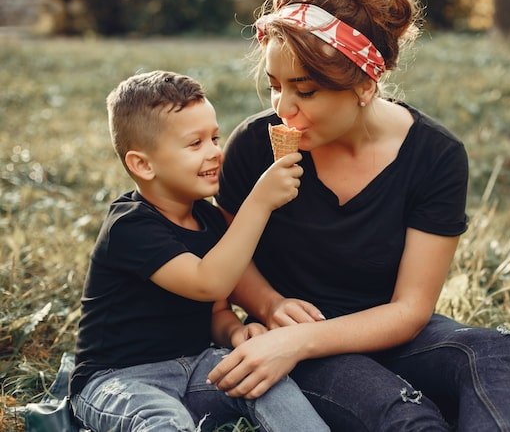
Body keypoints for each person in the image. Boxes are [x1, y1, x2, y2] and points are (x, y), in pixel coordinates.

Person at [210, 0, 510, 431]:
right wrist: (271, 308)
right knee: (404, 414)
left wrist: (299, 341)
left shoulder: (435, 155)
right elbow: (228, 254)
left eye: (306, 90)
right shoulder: (254, 146)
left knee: (495, 351)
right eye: (276, 84)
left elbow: (410, 310)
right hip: (296, 347)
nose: (283, 107)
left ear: (366, 84)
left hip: (383, 332)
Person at [69, 70, 329, 432]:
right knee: (162, 420)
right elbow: (208, 284)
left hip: (196, 367)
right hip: (120, 379)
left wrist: (235, 334)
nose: (215, 153)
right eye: (195, 144)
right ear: (143, 164)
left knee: (264, 380)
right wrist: (259, 202)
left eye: (215, 138)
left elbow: (217, 309)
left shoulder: (208, 219)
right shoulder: (129, 227)